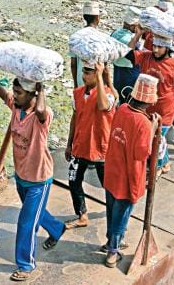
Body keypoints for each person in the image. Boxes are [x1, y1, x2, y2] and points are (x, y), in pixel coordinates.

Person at [0, 41, 64, 282]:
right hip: (22, 176)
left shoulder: (41, 117)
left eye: (19, 92)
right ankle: (58, 229)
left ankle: (25, 265)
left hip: (39, 179)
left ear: (32, 95)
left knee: (26, 223)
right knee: (35, 214)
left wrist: (40, 85)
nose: (14, 95)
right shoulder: (15, 107)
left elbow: (40, 110)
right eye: (14, 92)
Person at [101, 74, 159, 268]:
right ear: (150, 101)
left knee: (111, 209)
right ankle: (112, 252)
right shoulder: (143, 123)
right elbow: (142, 153)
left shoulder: (122, 109)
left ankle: (111, 240)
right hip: (128, 177)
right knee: (122, 214)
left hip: (112, 170)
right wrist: (152, 127)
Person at [125, 29, 174, 173]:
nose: (155, 49)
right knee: (152, 138)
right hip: (145, 107)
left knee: (157, 138)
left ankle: (157, 166)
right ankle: (165, 161)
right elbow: (127, 53)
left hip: (165, 110)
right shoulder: (146, 57)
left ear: (167, 48)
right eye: (154, 45)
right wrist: (138, 34)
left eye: (159, 47)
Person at [64, 62, 116, 230]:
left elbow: (102, 106)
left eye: (88, 73)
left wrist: (102, 76)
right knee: (73, 181)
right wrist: (69, 143)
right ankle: (82, 215)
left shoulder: (109, 95)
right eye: (84, 72)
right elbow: (75, 118)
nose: (84, 76)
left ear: (97, 74)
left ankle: (115, 218)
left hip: (101, 148)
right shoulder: (78, 93)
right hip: (80, 145)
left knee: (108, 186)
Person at [110, 7, 142, 103]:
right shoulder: (130, 39)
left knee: (121, 97)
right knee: (129, 99)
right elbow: (131, 51)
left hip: (117, 71)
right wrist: (138, 35)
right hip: (129, 73)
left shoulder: (115, 33)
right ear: (133, 26)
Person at [70, 2, 101, 88]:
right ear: (98, 18)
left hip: (81, 80)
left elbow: (73, 64)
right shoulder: (101, 38)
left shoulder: (75, 37)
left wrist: (76, 84)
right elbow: (103, 67)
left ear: (84, 17)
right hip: (95, 83)